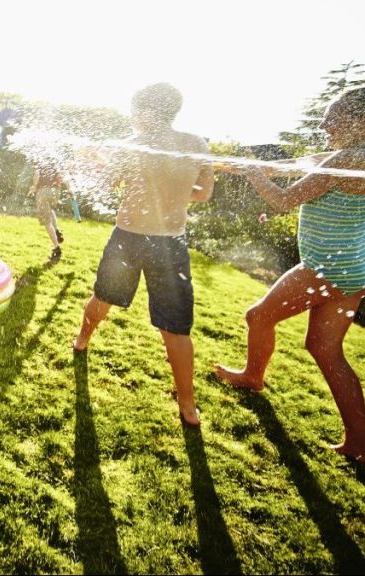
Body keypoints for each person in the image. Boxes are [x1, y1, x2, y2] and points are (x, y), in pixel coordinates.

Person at [214, 87, 365, 467]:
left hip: (329, 269)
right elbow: (305, 162)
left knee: (258, 316)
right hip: (351, 268)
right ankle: (361, 446)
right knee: (325, 350)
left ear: (364, 120)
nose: (324, 123)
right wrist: (259, 165)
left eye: (333, 115)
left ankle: (253, 377)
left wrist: (255, 174)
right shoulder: (355, 154)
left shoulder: (355, 157)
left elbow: (284, 200)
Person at [72, 83, 215, 427]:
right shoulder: (197, 145)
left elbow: (105, 184)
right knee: (176, 329)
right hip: (171, 245)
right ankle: (188, 406)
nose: (134, 119)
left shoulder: (133, 145)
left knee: (103, 296)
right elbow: (203, 194)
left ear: (149, 112)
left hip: (129, 238)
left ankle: (81, 340)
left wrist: (94, 158)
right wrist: (172, 189)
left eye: (136, 111)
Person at [27, 160, 66, 261]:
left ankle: (57, 249)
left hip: (43, 191)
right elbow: (61, 175)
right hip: (56, 191)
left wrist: (34, 187)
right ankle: (57, 231)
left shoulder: (39, 157)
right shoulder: (54, 158)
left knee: (46, 221)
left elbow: (37, 174)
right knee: (50, 210)